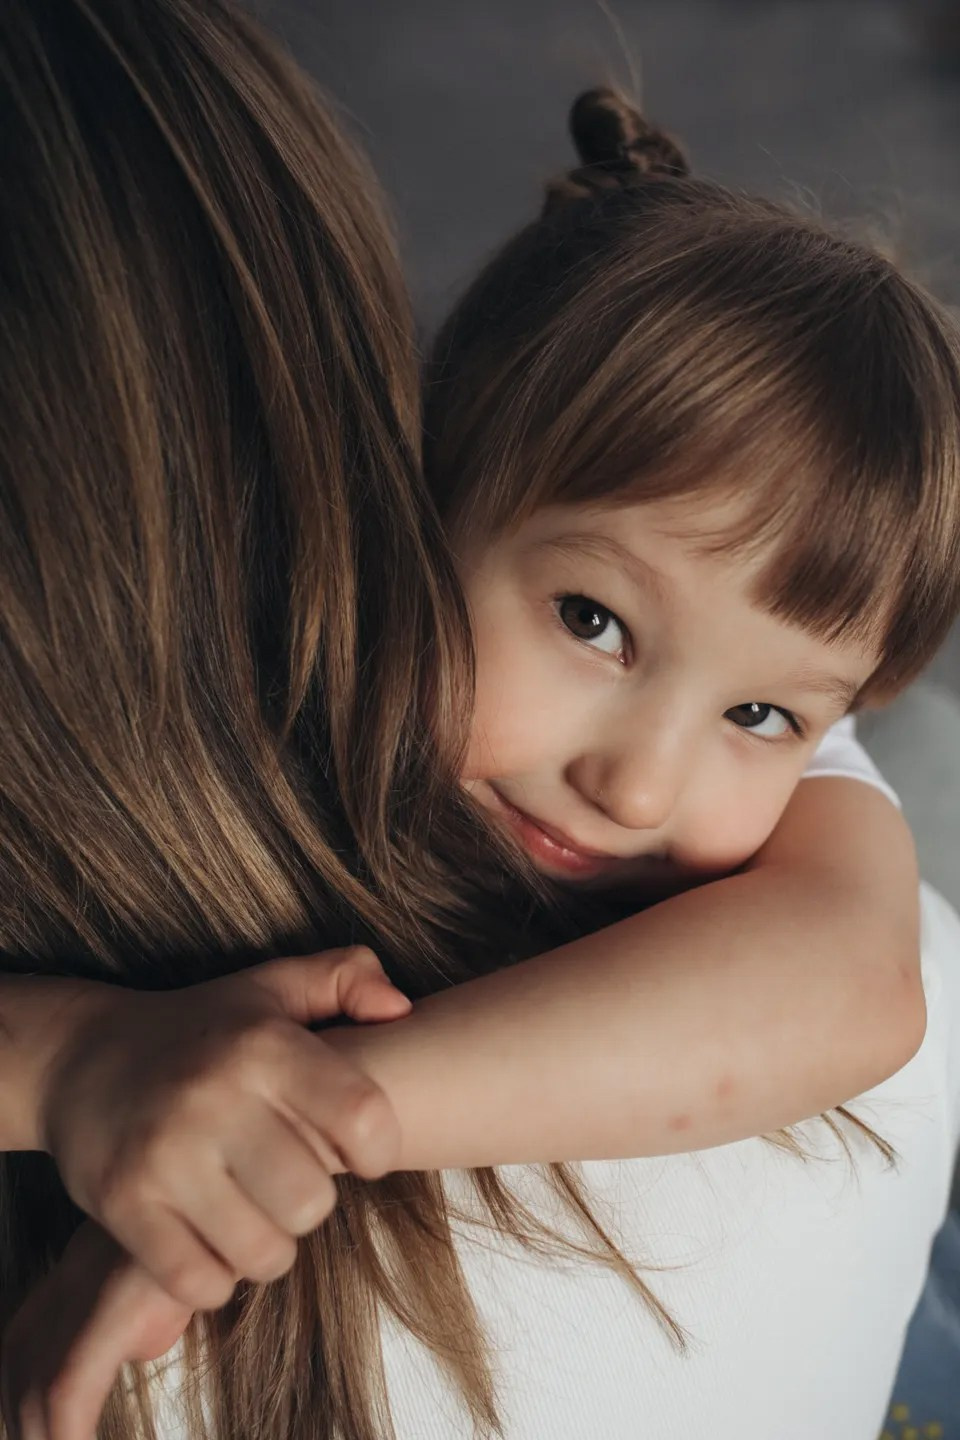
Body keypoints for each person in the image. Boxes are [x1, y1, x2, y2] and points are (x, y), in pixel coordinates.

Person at [1, 6, 960, 1437]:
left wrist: (317, 1113)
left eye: (763, 714)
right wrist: (71, 1061)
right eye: (592, 625)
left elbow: (867, 985)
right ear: (413, 500)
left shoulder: (743, 834)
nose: (638, 784)